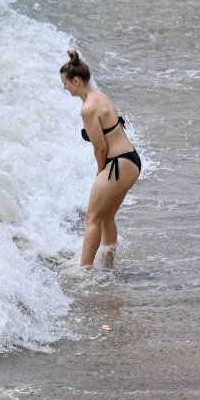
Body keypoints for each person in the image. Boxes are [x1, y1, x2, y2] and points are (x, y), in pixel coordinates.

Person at [60, 49, 141, 267]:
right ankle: (107, 266)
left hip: (118, 164)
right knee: (106, 217)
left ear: (75, 80)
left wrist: (100, 171)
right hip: (132, 161)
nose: (64, 88)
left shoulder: (88, 108)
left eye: (65, 83)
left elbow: (100, 148)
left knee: (92, 217)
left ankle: (84, 272)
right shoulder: (100, 96)